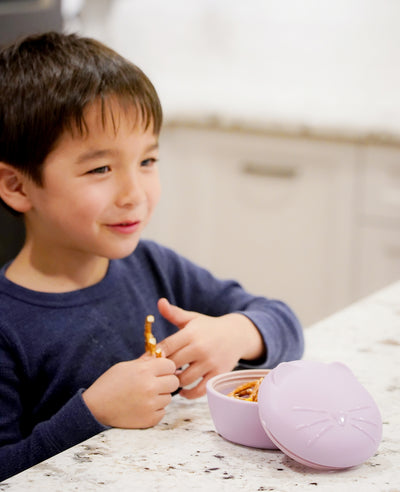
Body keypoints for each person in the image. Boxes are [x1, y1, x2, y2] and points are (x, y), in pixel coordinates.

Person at [0, 32, 304, 481]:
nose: (134, 194)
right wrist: (92, 413)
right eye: (100, 168)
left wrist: (236, 334)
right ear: (18, 186)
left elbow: (285, 324)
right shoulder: (8, 324)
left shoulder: (154, 265)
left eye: (147, 161)